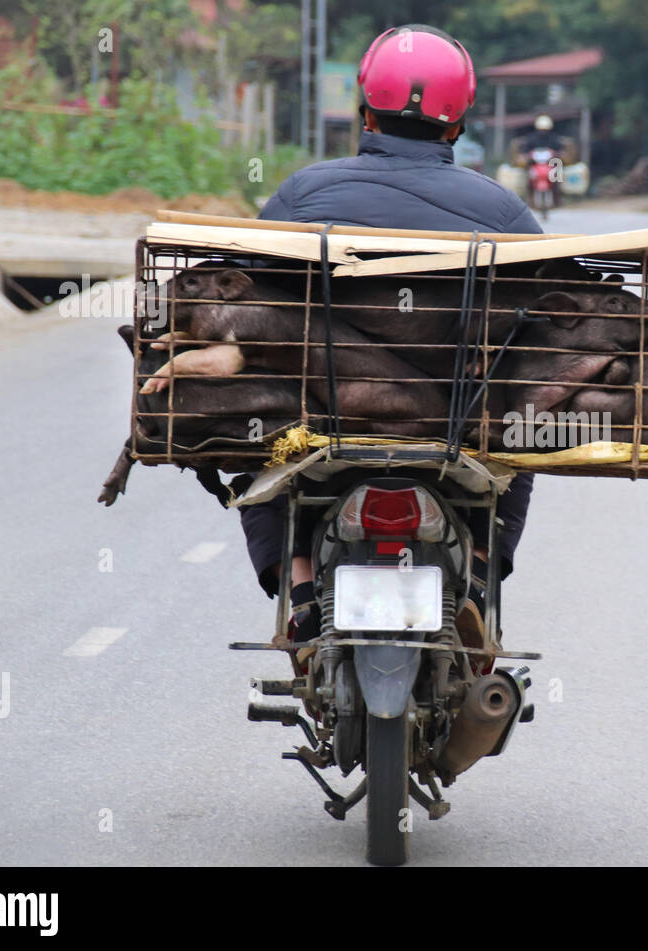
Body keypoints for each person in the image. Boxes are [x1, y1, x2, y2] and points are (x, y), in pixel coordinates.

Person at [239, 23, 540, 647]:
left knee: (250, 430)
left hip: (322, 418)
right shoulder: (506, 215)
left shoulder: (302, 194)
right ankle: (478, 584)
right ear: (457, 124)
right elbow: (542, 327)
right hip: (459, 428)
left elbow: (249, 297)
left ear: (364, 113)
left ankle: (298, 590)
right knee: (521, 435)